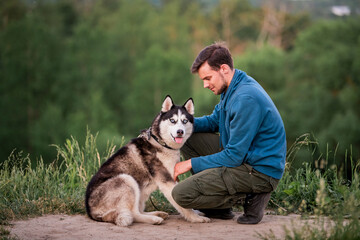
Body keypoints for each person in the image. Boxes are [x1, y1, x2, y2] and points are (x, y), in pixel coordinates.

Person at [171, 42, 286, 224]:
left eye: (208, 78)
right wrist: (177, 124)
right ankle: (220, 209)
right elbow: (214, 121)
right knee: (187, 136)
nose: (205, 85)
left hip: (258, 171)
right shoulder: (233, 86)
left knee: (180, 194)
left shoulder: (245, 98)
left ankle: (250, 196)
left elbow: (233, 156)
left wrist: (190, 163)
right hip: (242, 157)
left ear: (223, 69)